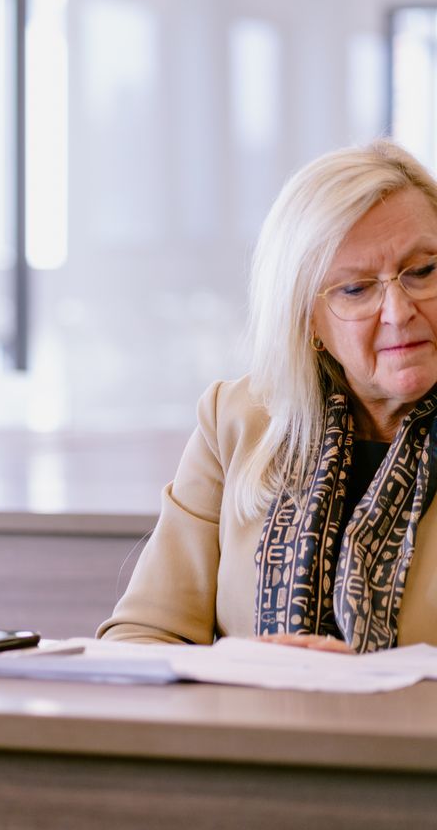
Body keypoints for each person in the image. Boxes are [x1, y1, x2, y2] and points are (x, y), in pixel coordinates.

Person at [102, 140, 437, 651]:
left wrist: (375, 682)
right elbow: (142, 636)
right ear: (308, 319)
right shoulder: (236, 422)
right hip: (252, 728)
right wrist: (246, 674)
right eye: (356, 289)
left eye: (423, 272)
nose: (398, 310)